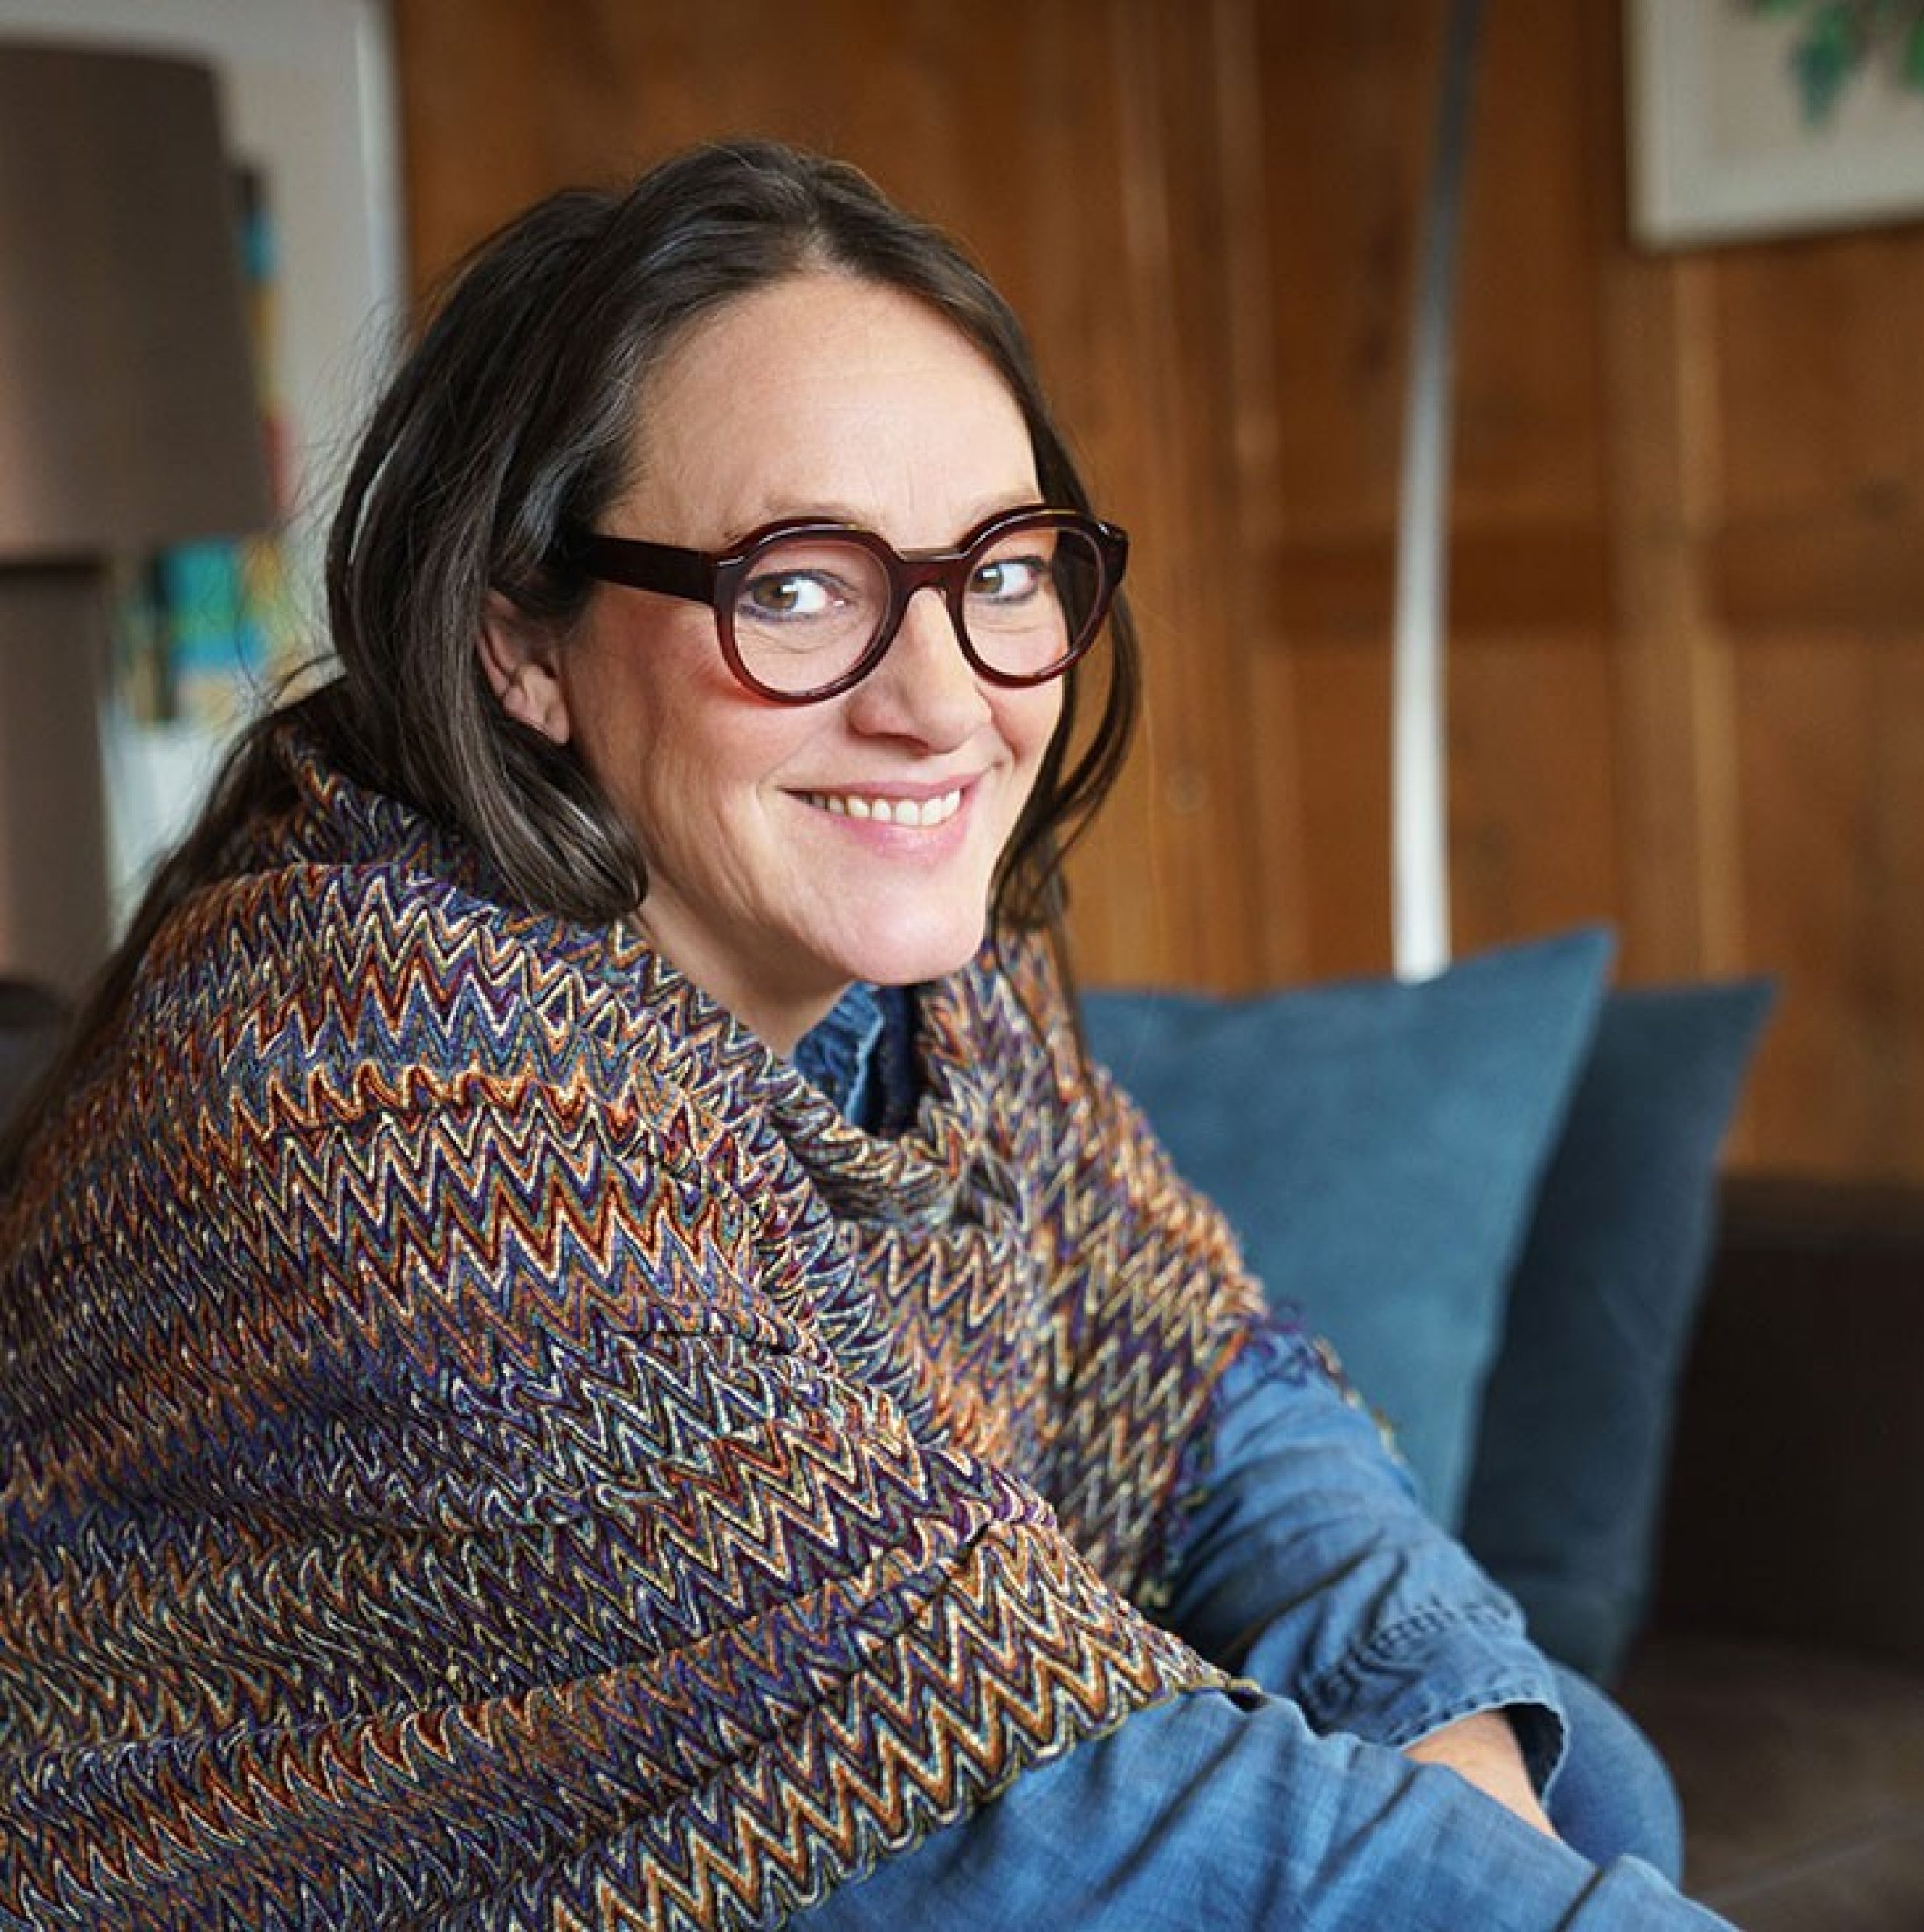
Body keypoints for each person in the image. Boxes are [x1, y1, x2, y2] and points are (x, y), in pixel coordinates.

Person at [0, 139, 1733, 1930]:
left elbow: (1211, 1399)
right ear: (523, 635)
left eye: (999, 569)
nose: (943, 701)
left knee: (1565, 1761)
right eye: (798, 585)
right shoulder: (384, 1120)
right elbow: (1038, 1798)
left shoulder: (939, 1003)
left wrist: (1452, 1730)